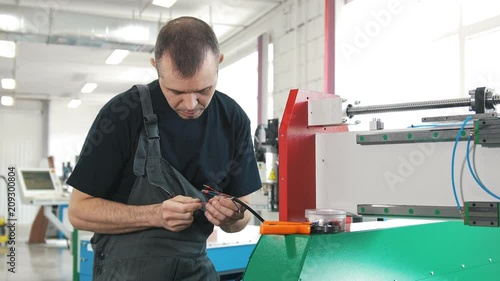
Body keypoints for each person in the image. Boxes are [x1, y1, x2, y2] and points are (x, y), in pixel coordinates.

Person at [67, 16, 262, 281]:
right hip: (127, 271)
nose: (191, 104)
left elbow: (242, 219)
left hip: (196, 267)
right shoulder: (122, 114)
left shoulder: (234, 119)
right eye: (176, 92)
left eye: (204, 90)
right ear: (155, 67)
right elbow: (79, 212)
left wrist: (230, 217)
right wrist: (154, 214)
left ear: (219, 63)